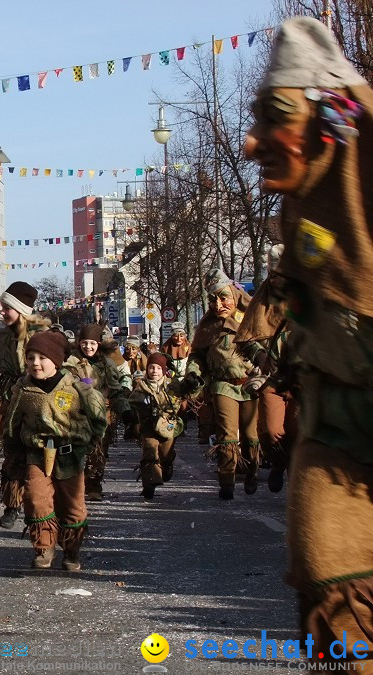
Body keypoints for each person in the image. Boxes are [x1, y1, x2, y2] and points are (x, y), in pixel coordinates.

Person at [244, 17, 373, 654]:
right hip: (338, 438)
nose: (252, 141)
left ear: (330, 122)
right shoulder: (301, 213)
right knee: (332, 601)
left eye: (276, 116)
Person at [5, 331, 106, 570]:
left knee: (72, 506)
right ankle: (44, 547)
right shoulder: (23, 389)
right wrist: (13, 457)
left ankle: (71, 551)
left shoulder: (78, 389)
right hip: (37, 454)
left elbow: (98, 420)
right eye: (30, 358)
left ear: (56, 360)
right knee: (36, 499)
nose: (35, 363)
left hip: (71, 455)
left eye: (42, 358)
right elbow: (11, 424)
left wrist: (89, 446)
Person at [181, 270, 259, 500]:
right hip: (222, 385)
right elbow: (197, 355)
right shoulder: (207, 326)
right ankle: (227, 480)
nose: (218, 304)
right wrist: (193, 373)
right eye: (213, 299)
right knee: (226, 433)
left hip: (250, 383)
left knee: (250, 434)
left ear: (234, 296)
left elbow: (263, 345)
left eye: (223, 297)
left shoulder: (249, 319)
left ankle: (252, 470)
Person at [234, 245, 297, 493]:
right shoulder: (262, 300)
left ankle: (294, 478)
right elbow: (247, 336)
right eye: (272, 275)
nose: (275, 280)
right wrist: (260, 355)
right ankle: (278, 463)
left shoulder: (305, 300)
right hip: (273, 378)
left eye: (280, 275)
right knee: (271, 431)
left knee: (296, 430)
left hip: (302, 379)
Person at [0, 281, 49, 529]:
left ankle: (40, 504)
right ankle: (12, 505)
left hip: (39, 399)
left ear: (21, 309)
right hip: (11, 398)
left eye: (6, 308)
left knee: (37, 453)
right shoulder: (3, 334)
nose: (2, 312)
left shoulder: (41, 335)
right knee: (13, 452)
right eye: (2, 307)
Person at [65, 324, 133, 501]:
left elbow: (116, 390)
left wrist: (126, 412)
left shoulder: (107, 364)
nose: (88, 347)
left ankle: (94, 485)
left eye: (92, 343)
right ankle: (77, 485)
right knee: (77, 450)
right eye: (85, 343)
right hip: (77, 412)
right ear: (79, 343)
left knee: (99, 450)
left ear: (99, 344)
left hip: (102, 412)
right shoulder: (70, 362)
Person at [129, 352, 184, 499]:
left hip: (167, 425)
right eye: (151, 368)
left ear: (163, 371)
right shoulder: (141, 387)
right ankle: (149, 484)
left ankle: (167, 465)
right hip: (148, 426)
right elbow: (132, 403)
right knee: (149, 450)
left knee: (165, 453)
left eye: (158, 368)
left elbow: (185, 394)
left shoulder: (171, 386)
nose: (154, 371)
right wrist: (133, 418)